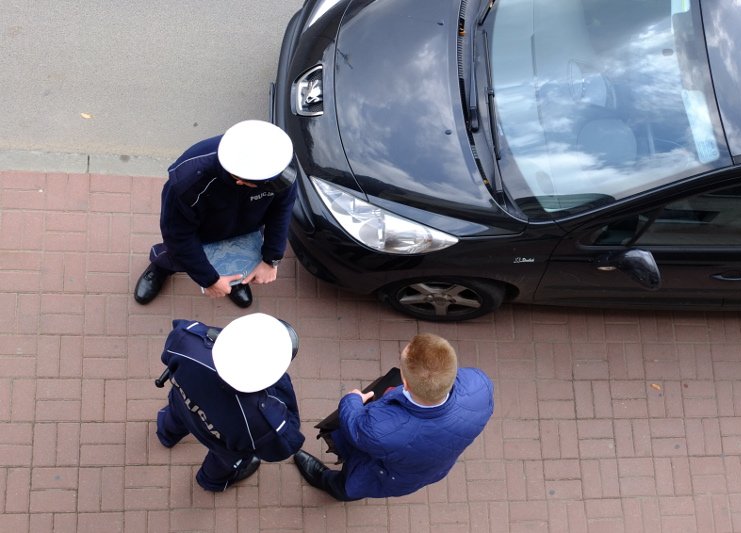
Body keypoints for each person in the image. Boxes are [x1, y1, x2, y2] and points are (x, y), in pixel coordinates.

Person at [293, 333, 494, 501]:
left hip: (388, 474)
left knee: (351, 484)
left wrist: (352, 399)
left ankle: (333, 485)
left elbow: (354, 426)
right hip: (427, 469)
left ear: (404, 383)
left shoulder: (380, 430)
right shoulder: (480, 385)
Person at [134, 119, 296, 308]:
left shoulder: (278, 163)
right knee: (176, 254)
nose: (279, 184)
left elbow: (282, 210)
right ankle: (161, 268)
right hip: (201, 232)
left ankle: (234, 279)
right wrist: (209, 279)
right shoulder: (189, 181)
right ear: (240, 180)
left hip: (247, 226)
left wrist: (271, 259)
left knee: (237, 255)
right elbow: (178, 236)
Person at [155, 313, 305, 492]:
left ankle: (166, 435)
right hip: (222, 445)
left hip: (183, 406)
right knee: (222, 463)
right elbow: (286, 445)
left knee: (174, 417)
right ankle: (210, 481)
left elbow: (172, 348)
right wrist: (281, 383)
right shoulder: (263, 421)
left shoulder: (187, 339)